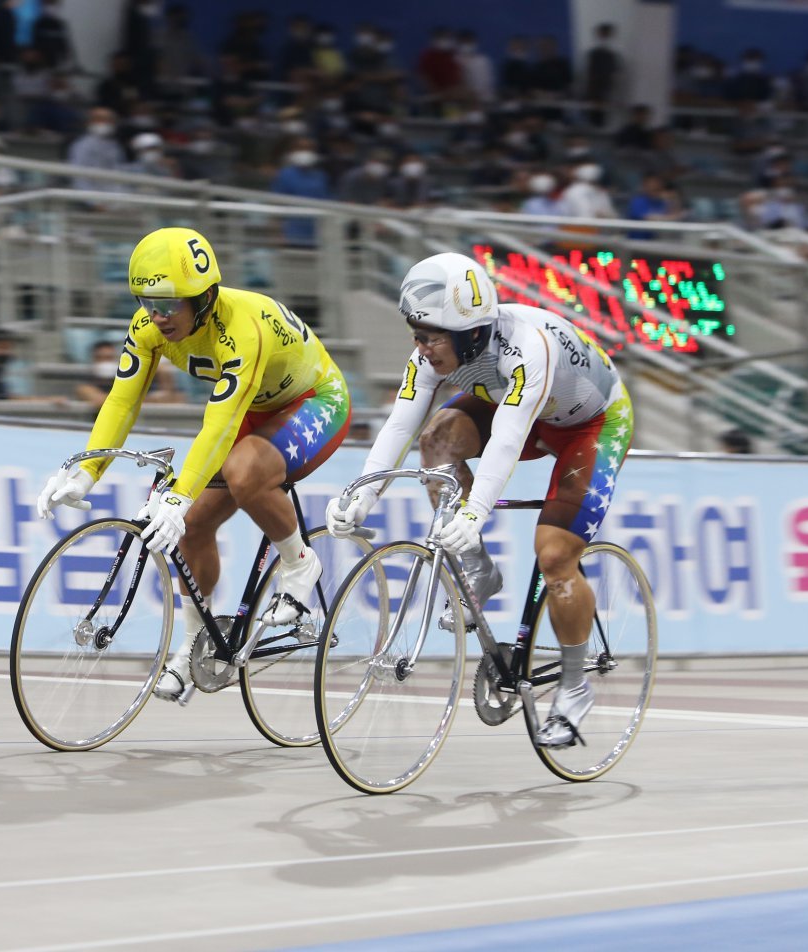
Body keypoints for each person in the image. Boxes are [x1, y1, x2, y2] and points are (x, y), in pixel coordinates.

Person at [325, 252, 634, 749]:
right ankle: (478, 569)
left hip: (590, 425)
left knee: (556, 557)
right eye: (415, 334)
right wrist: (364, 492)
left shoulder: (525, 348)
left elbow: (508, 442)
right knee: (436, 441)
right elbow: (401, 424)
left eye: (429, 336)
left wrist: (474, 513)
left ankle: (574, 689)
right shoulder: (436, 351)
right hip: (522, 409)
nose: (420, 347)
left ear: (471, 333)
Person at [36, 228, 351, 703]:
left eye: (169, 304)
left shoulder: (241, 328)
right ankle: (190, 649)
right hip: (252, 409)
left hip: (314, 399)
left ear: (204, 297)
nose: (157, 316)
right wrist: (86, 470)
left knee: (244, 473)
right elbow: (121, 403)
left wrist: (178, 495)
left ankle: (300, 563)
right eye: (147, 302)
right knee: (192, 528)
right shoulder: (146, 330)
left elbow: (220, 423)